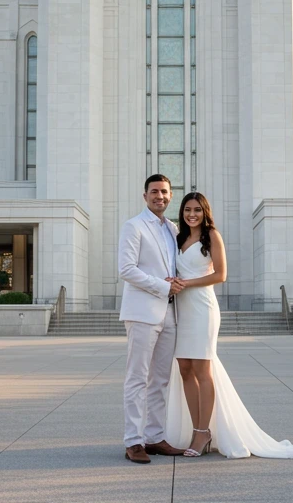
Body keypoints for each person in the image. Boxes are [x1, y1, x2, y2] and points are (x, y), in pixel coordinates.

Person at [166, 191, 293, 459]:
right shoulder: (178, 237)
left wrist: (186, 283)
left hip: (203, 308)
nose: (192, 214)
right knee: (184, 368)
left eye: (197, 210)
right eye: (187, 210)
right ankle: (196, 429)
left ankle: (204, 432)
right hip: (182, 309)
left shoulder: (212, 236)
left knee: (203, 368)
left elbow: (221, 274)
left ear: (205, 212)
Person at [117, 174, 187, 463]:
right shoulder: (133, 226)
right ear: (145, 195)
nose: (160, 196)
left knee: (161, 380)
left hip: (169, 312)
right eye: (155, 191)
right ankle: (133, 441)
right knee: (137, 378)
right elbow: (126, 269)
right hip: (143, 312)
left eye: (165, 192)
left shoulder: (173, 229)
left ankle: (155, 437)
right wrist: (163, 285)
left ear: (171, 196)